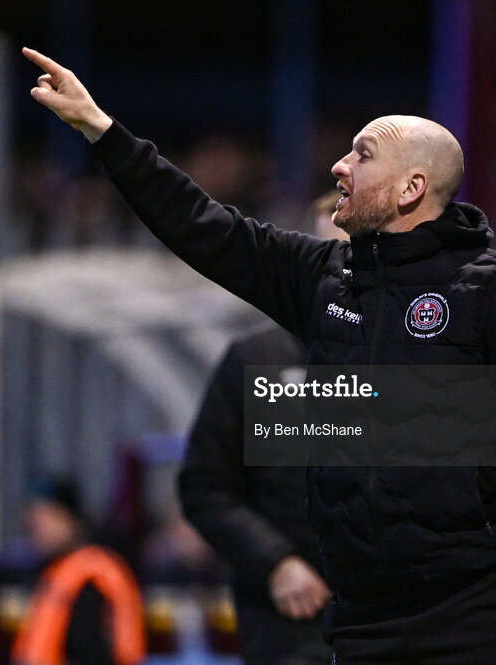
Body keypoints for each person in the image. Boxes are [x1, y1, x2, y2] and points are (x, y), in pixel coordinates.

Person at [23, 47, 496, 664]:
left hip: (479, 615)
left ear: (412, 187)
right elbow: (202, 226)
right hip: (362, 624)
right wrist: (101, 129)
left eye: (362, 154)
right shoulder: (323, 279)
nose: (338, 166)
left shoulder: (490, 291)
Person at [178, 192, 343, 665]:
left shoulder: (415, 356)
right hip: (288, 624)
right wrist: (275, 562)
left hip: (393, 626)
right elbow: (205, 486)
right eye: (324, 252)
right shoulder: (257, 361)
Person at [12, 478, 145, 665]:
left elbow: (93, 651)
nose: (39, 528)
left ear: (71, 519)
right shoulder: (55, 570)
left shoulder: (91, 574)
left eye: (48, 517)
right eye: (34, 519)